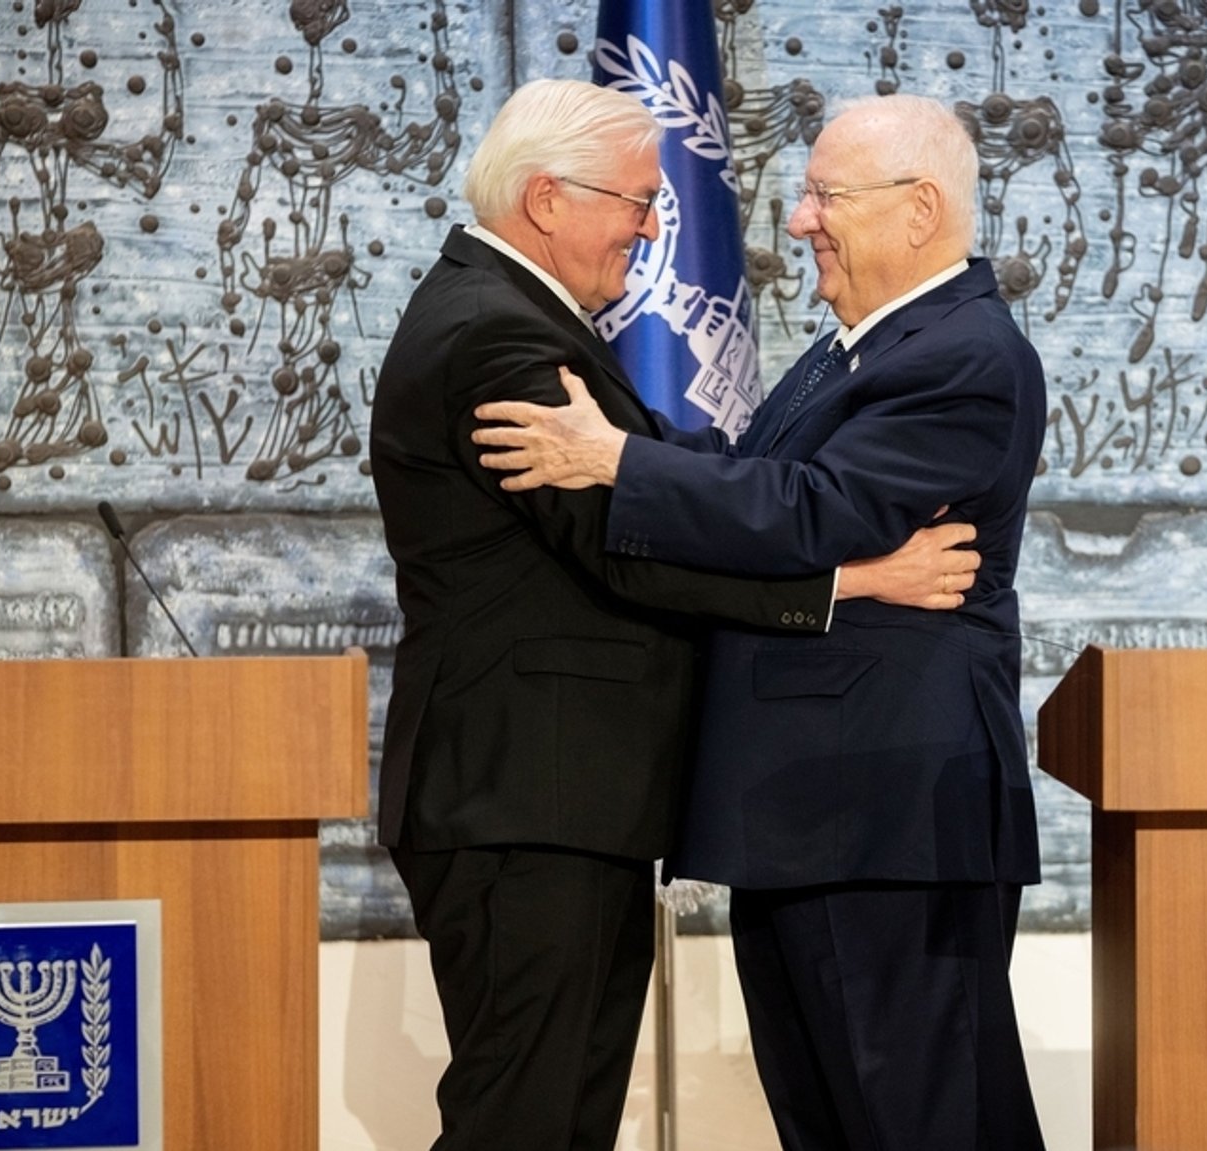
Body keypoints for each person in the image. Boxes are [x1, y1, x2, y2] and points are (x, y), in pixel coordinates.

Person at [368, 79, 979, 1151]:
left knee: (552, 1112)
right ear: (548, 199)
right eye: (638, 200)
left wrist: (633, 465)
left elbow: (661, 479)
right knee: (527, 1116)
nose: (653, 227)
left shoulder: (510, 316)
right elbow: (626, 543)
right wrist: (845, 583)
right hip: (529, 796)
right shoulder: (496, 340)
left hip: (556, 798)